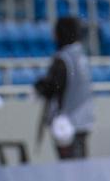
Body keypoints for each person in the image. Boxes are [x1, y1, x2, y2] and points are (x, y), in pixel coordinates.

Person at [33, 17, 94, 159]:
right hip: (84, 119)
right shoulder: (81, 56)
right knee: (80, 161)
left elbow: (54, 86)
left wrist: (40, 86)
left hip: (66, 121)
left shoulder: (64, 58)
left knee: (71, 164)